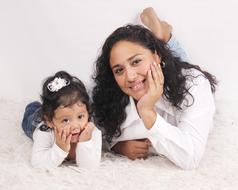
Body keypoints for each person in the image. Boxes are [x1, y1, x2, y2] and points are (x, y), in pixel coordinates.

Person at [92, 8, 217, 169]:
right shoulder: (110, 96)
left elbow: (190, 157)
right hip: (159, 63)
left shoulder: (195, 84)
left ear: (156, 57)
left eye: (136, 61)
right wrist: (118, 146)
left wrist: (148, 112)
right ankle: (159, 39)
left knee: (177, 60)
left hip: (174, 74)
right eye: (119, 70)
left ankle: (163, 37)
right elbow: (99, 133)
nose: (129, 76)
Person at [22, 71, 102, 169]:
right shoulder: (45, 132)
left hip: (54, 113)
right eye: (65, 120)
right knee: (31, 113)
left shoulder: (92, 132)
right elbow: (38, 164)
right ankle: (33, 106)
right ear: (50, 122)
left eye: (80, 117)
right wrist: (60, 148)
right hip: (36, 121)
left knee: (57, 110)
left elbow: (90, 167)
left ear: (87, 112)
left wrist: (85, 142)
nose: (75, 126)